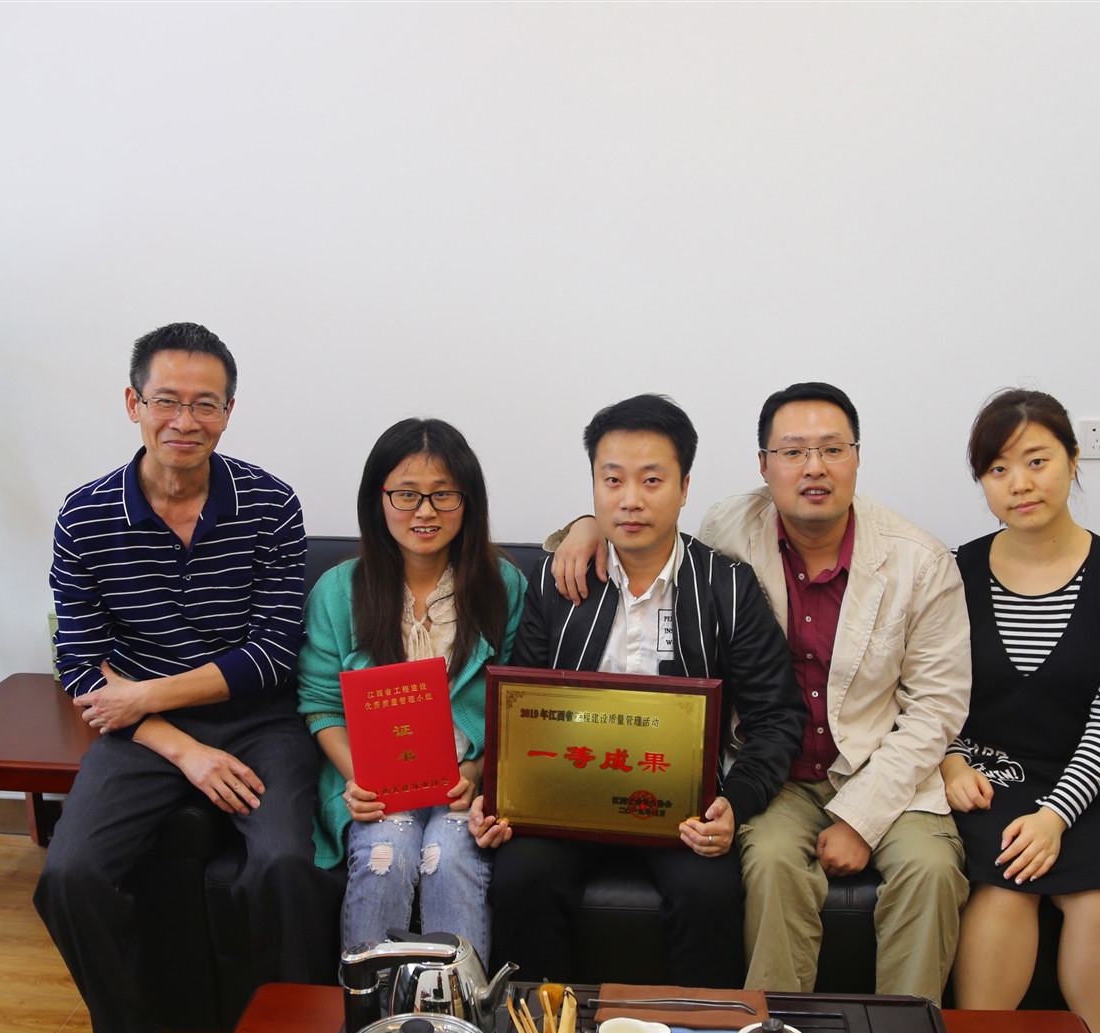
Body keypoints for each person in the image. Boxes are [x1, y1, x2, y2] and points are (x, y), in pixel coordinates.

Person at [549, 383, 971, 999]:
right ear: (764, 465)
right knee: (770, 867)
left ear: (857, 457)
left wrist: (861, 819)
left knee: (931, 871)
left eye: (832, 449)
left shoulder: (921, 561)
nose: (813, 467)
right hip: (781, 777)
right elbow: (642, 526)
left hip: (885, 767)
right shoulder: (730, 527)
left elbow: (936, 706)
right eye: (793, 451)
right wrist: (584, 526)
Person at [35, 322, 324, 1033]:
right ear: (134, 403)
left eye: (205, 403)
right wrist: (177, 742)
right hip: (143, 734)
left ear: (228, 411)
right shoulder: (86, 515)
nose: (184, 420)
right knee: (69, 874)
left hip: (259, 717)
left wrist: (148, 691)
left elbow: (274, 651)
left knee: (284, 862)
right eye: (167, 400)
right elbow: (79, 664)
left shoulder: (270, 503)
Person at [474, 394, 805, 987]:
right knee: (520, 877)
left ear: (684, 488)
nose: (630, 499)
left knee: (709, 892)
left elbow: (777, 716)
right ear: (594, 488)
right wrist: (498, 796)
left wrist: (736, 802)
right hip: (565, 799)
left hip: (677, 809)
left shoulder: (728, 587)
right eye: (613, 480)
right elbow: (519, 703)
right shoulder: (559, 580)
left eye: (652, 480)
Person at [940, 388, 1100, 1033]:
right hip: (987, 773)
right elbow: (927, 689)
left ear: (1072, 460)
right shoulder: (953, 572)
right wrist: (951, 761)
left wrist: (1055, 816)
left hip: (1084, 780)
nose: (1020, 483)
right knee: (1003, 896)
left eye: (1037, 460)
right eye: (998, 469)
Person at [298, 419, 526, 957]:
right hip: (373, 785)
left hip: (462, 784)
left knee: (449, 853)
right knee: (387, 849)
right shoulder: (338, 590)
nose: (425, 512)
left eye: (443, 494)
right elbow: (320, 705)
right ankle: (370, 1002)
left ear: (468, 502)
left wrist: (475, 774)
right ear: (378, 499)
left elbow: (515, 704)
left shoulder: (503, 586)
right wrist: (361, 779)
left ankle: (461, 1003)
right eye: (406, 494)